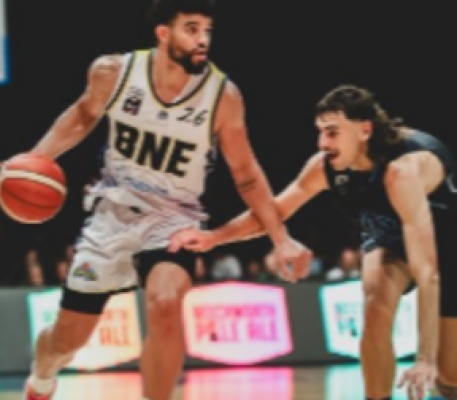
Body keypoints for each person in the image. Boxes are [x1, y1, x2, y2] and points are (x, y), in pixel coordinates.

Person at [0, 1, 312, 399]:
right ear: (163, 33)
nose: (203, 39)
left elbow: (246, 174)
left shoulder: (222, 96)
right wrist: (28, 165)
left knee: (165, 302)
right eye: (191, 29)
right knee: (67, 341)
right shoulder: (114, 72)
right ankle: (41, 378)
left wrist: (281, 238)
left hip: (174, 218)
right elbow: (81, 117)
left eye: (207, 30)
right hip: (112, 213)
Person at [168, 84, 457, 400]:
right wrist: (214, 237)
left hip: (448, 243)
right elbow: (274, 212)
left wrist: (424, 358)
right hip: (389, 234)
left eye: (333, 133)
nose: (323, 143)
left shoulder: (401, 173)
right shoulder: (324, 166)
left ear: (365, 130)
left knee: (448, 379)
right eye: (320, 132)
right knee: (375, 304)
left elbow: (428, 272)